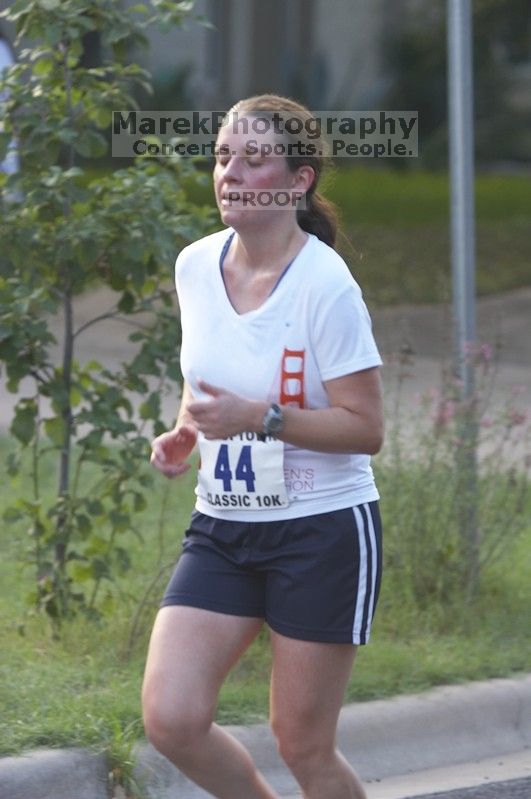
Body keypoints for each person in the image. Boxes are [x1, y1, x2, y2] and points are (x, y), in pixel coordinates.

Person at [142, 94, 384, 799]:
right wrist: (186, 433)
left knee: (303, 743)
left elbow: (364, 427)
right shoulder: (194, 267)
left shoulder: (324, 284)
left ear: (298, 180)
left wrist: (260, 416)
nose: (231, 174)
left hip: (320, 531)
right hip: (222, 524)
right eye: (222, 157)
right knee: (172, 717)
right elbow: (209, 385)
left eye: (253, 159)